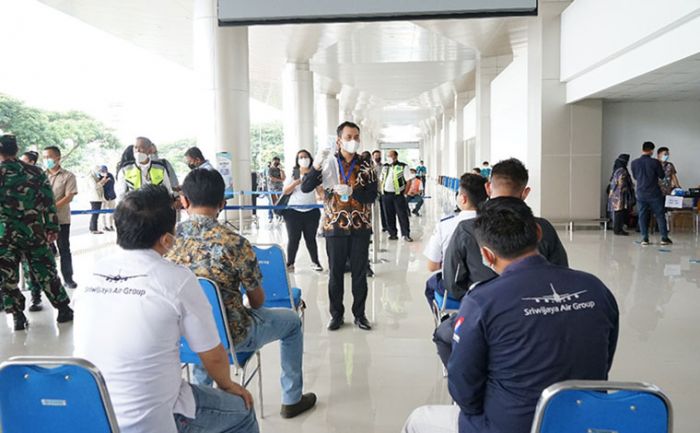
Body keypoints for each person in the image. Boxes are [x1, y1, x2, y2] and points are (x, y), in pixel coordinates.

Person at [402, 197, 619, 433]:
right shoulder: (594, 288)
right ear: (538, 233)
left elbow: (464, 391)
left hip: (512, 425)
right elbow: (603, 362)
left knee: (418, 419)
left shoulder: (482, 301)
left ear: (487, 254)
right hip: (585, 422)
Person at [73, 185, 259, 433]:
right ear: (167, 240)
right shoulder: (176, 279)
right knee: (242, 411)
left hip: (93, 414)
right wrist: (226, 385)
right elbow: (211, 352)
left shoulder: (91, 274)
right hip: (152, 419)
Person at [167, 169, 317, 419]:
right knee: (291, 322)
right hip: (233, 335)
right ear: (223, 203)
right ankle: (291, 399)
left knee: (200, 330)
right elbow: (258, 302)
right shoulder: (234, 242)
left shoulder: (167, 241)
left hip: (183, 337)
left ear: (184, 201)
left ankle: (204, 400)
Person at [438, 158, 568, 366]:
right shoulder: (543, 228)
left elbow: (453, 284)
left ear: (488, 188)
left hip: (483, 312)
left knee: (443, 334)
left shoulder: (469, 229)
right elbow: (561, 275)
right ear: (525, 192)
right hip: (542, 316)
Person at [301, 121, 378, 331]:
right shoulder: (327, 163)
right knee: (335, 273)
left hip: (361, 226)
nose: (353, 141)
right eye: (348, 137)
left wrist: (355, 192)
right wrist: (315, 164)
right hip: (335, 225)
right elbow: (307, 187)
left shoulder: (366, 164)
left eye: (356, 137)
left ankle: (360, 314)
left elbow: (373, 195)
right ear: (339, 140)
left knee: (359, 273)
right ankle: (336, 315)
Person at [1, 135, 73, 331]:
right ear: (16, 150)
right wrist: (52, 228)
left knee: (8, 277)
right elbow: (48, 201)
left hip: (4, 235)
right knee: (46, 270)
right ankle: (63, 308)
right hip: (34, 230)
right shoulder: (34, 171)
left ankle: (17, 315)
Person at [423, 173, 487, 307]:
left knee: (431, 285)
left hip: (459, 292)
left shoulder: (445, 225)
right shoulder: (497, 224)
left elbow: (432, 266)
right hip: (491, 290)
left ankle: (447, 323)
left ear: (463, 199)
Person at [282, 149, 324, 272]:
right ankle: (290, 263)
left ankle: (315, 262)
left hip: (311, 212)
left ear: (310, 159)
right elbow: (286, 191)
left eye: (306, 156)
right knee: (293, 239)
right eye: (301, 157)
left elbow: (320, 192)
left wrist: (325, 195)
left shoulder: (314, 174)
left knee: (310, 238)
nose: (303, 159)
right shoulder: (293, 174)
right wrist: (296, 182)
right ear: (297, 160)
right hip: (293, 212)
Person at [44, 145, 79, 289]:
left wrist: (51, 209)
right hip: (42, 221)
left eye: (49, 157)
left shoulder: (68, 176)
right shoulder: (40, 175)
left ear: (58, 158)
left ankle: (68, 278)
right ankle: (49, 280)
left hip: (61, 219)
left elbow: (69, 196)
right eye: (44, 157)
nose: (46, 160)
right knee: (45, 251)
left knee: (64, 248)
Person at [631, 141, 672, 246]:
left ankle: (644, 238)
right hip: (654, 193)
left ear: (642, 149)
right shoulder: (655, 162)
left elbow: (635, 177)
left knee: (642, 215)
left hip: (641, 193)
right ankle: (664, 238)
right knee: (660, 215)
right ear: (652, 151)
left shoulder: (634, 162)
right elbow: (662, 176)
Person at [380, 150, 414, 241]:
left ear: (396, 156)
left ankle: (406, 234)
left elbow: (408, 181)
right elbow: (381, 179)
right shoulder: (385, 167)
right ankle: (392, 234)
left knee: (402, 215)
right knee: (389, 215)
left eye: (390, 156)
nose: (389, 158)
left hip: (398, 195)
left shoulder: (403, 166)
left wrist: (405, 193)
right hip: (386, 195)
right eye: (387, 156)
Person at [607, 154, 635, 236]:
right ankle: (618, 229)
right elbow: (621, 184)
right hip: (620, 195)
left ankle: (617, 229)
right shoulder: (622, 170)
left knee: (617, 213)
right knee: (620, 213)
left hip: (615, 195)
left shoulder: (616, 169)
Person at [87, 165, 108, 234]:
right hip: (94, 198)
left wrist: (103, 182)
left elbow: (98, 185)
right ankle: (94, 229)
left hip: (98, 197)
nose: (99, 172)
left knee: (96, 213)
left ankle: (93, 228)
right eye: (98, 171)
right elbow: (94, 186)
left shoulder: (95, 176)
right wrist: (102, 181)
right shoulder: (91, 177)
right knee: (95, 214)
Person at [371, 149, 388, 232]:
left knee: (384, 209)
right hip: (372, 190)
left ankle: (385, 226)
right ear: (373, 157)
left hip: (382, 190)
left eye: (379, 156)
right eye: (376, 156)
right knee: (370, 209)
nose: (378, 157)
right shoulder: (370, 167)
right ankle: (370, 227)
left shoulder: (384, 167)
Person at [267, 156, 286, 223]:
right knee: (271, 202)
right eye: (275, 162)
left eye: (278, 162)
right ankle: (270, 217)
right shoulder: (270, 169)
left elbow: (284, 178)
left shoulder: (279, 169)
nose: (276, 164)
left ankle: (280, 215)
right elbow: (272, 178)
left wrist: (281, 170)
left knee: (280, 201)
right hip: (271, 188)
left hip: (279, 187)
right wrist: (280, 179)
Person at [100, 165, 117, 231]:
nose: (104, 172)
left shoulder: (110, 175)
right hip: (103, 197)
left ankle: (111, 225)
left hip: (112, 196)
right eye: (102, 171)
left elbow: (112, 183)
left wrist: (106, 180)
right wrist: (104, 180)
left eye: (105, 170)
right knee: (103, 213)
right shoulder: (99, 177)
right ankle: (104, 226)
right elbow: (99, 186)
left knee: (111, 212)